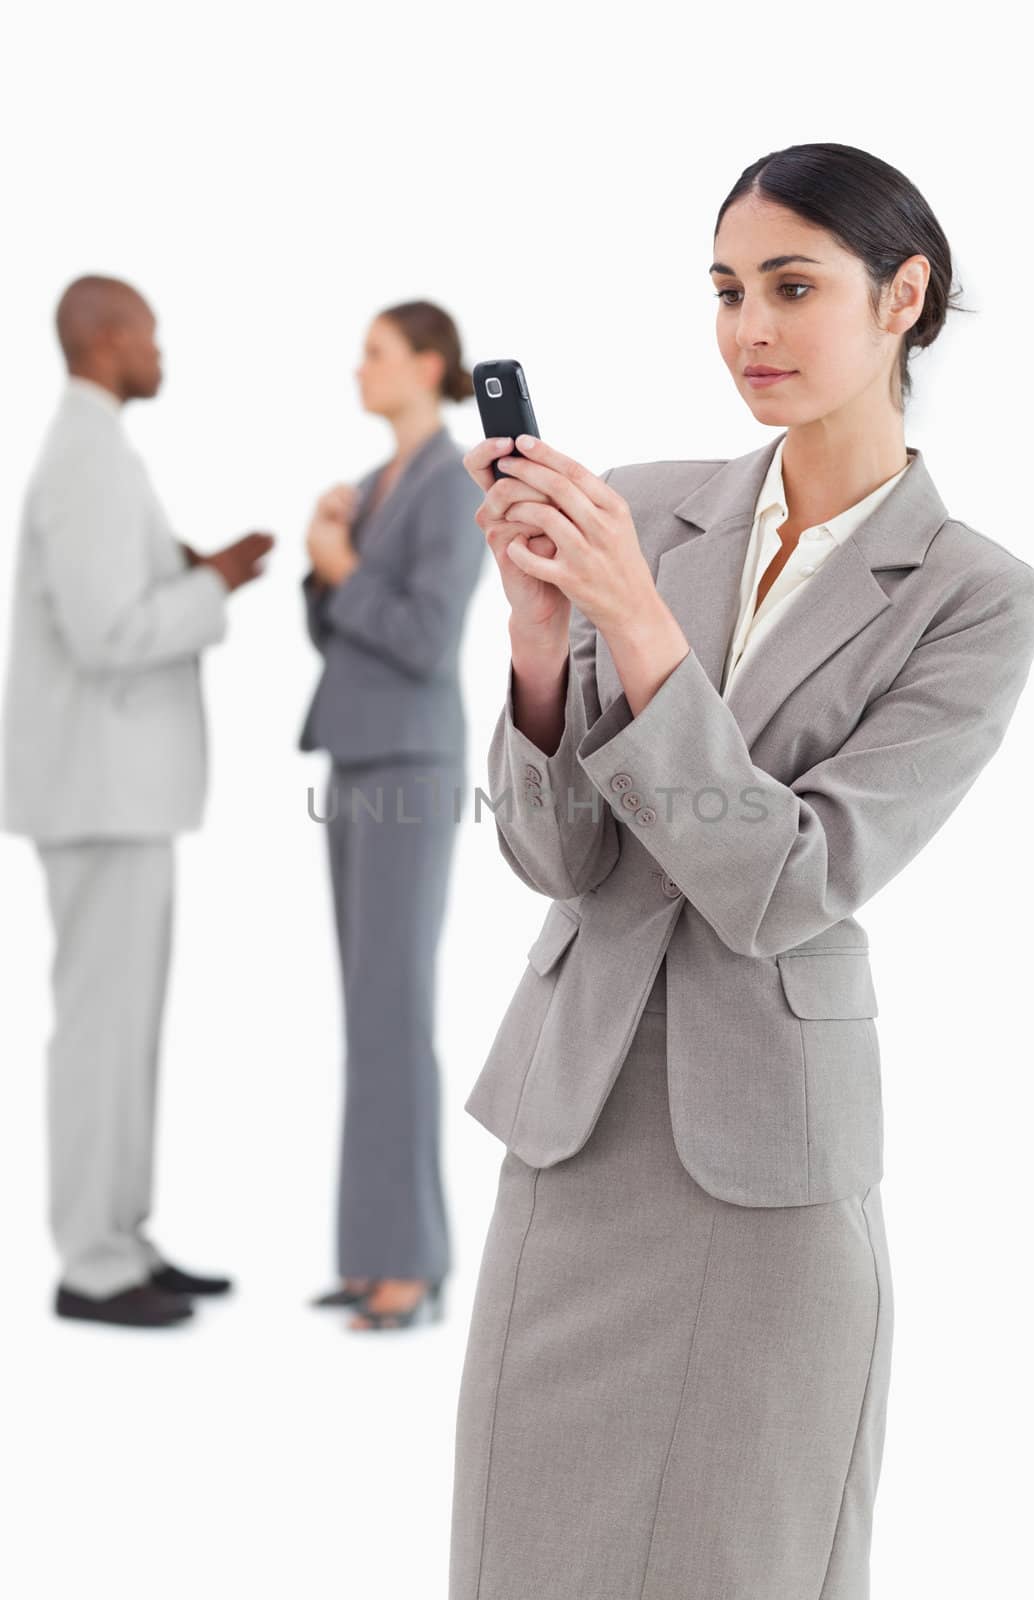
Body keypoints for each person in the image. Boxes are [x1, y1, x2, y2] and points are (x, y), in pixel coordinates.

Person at [448, 143, 1034, 1598]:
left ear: (901, 297)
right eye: (725, 290)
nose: (748, 332)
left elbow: (787, 882)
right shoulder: (645, 510)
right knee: (521, 1555)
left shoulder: (976, 598)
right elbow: (556, 858)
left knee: (740, 1555)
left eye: (792, 287)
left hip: (765, 1171)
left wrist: (636, 631)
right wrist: (539, 639)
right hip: (572, 1133)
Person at [0, 274, 275, 1329]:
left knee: (128, 1032)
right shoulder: (85, 457)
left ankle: (120, 1234)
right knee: (99, 1035)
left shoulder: (100, 451)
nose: (160, 353)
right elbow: (107, 631)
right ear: (107, 339)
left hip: (120, 792)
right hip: (100, 791)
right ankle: (91, 1261)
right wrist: (215, 590)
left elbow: (111, 593)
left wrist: (196, 567)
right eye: (150, 337)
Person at [299, 301, 485, 1331]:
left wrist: (339, 563)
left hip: (410, 760)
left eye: (373, 354)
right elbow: (341, 629)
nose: (356, 370)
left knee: (394, 1011)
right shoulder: (373, 485)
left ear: (426, 364)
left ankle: (409, 1265)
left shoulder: (454, 483)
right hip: (358, 750)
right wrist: (321, 553)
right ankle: (375, 1254)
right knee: (366, 1013)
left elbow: (420, 636)